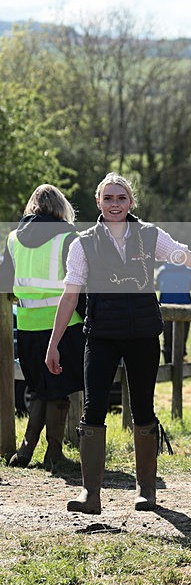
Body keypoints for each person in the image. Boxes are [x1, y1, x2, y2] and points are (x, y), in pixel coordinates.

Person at [45, 173, 191, 515]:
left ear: (131, 202)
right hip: (101, 337)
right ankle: (90, 494)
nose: (115, 204)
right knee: (93, 409)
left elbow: (189, 257)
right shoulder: (82, 243)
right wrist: (54, 343)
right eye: (108, 198)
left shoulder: (150, 236)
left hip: (143, 336)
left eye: (121, 198)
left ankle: (146, 491)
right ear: (98, 202)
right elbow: (70, 295)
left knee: (143, 409)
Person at [0, 185, 85, 470]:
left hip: (27, 325)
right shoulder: (69, 238)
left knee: (40, 387)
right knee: (59, 389)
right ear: (61, 207)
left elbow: (5, 282)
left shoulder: (13, 239)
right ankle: (54, 454)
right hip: (63, 325)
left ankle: (25, 451)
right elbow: (79, 285)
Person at [155, 261, 191, 362]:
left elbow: (158, 284)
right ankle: (180, 360)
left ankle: (168, 361)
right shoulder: (188, 271)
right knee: (182, 336)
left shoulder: (162, 271)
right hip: (184, 306)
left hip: (166, 307)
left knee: (167, 337)